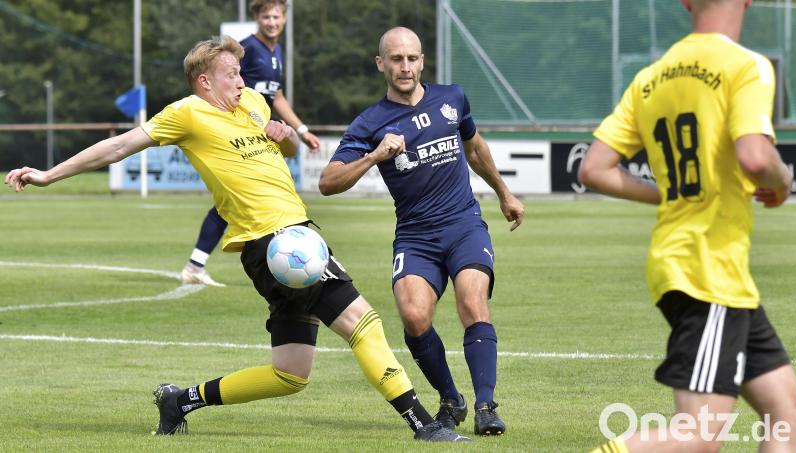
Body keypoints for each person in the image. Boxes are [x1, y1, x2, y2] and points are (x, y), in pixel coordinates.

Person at [4, 36, 469, 443]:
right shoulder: (187, 113)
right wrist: (50, 174)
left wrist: (283, 134)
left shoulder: (253, 106)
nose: (243, 82)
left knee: (290, 374)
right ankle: (423, 423)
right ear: (205, 81)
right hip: (277, 242)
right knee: (362, 322)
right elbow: (119, 145)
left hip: (286, 242)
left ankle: (181, 400)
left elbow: (283, 148)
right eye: (232, 74)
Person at [579, 1, 796, 451]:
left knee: (787, 411)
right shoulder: (746, 66)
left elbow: (594, 169)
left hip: (697, 267)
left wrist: (670, 192)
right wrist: (782, 182)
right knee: (699, 437)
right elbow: (756, 157)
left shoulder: (652, 77)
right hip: (707, 267)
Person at [319, 27, 524, 436]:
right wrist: (376, 154)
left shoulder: (452, 98)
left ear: (422, 60)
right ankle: (452, 398)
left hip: (464, 224)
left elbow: (476, 148)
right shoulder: (370, 122)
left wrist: (504, 193)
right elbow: (329, 181)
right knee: (413, 316)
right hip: (415, 236)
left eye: (412, 58)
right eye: (396, 59)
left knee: (471, 299)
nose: (405, 67)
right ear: (382, 64)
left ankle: (486, 405)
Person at [181, 0, 321, 287]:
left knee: (244, 203)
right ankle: (197, 264)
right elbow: (219, 84)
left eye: (277, 16)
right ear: (257, 18)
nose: (272, 22)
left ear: (284, 19)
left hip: (266, 134)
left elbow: (277, 96)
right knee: (234, 203)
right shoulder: (247, 50)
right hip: (240, 133)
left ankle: (197, 264)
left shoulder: (276, 52)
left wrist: (301, 129)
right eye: (266, 16)